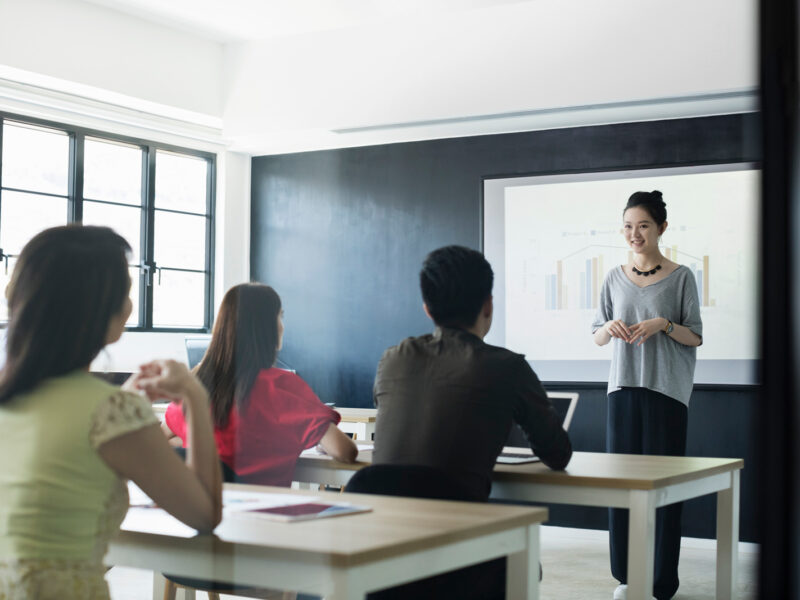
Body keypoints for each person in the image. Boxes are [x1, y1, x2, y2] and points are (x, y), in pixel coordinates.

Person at [0, 225, 222, 600]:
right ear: (103, 310)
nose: (131, 304)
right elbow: (204, 514)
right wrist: (195, 397)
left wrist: (124, 399)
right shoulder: (110, 412)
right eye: (127, 291)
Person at [373, 245, 572, 501]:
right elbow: (558, 454)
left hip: (381, 526)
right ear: (488, 305)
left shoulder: (392, 360)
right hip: (455, 527)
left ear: (427, 309)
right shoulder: (507, 367)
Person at [592, 190, 703, 600]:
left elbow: (695, 337)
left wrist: (664, 325)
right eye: (627, 226)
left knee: (661, 489)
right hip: (622, 391)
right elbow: (598, 336)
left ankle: (660, 582)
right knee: (622, 488)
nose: (634, 234)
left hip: (666, 394)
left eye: (642, 226)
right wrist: (611, 327)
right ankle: (626, 575)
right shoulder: (612, 276)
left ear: (661, 228)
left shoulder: (682, 276)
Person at [164, 283, 357, 486]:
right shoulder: (284, 387)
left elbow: (160, 440)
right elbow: (345, 451)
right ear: (267, 327)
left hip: (204, 512)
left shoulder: (196, 387)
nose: (282, 325)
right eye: (279, 317)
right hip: (267, 513)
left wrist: (194, 444)